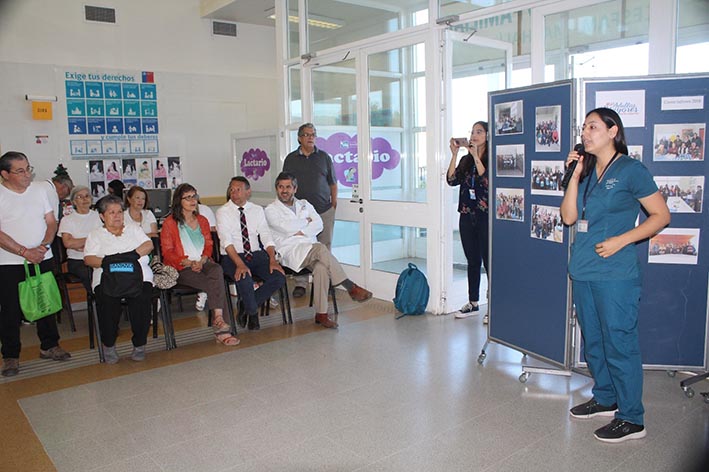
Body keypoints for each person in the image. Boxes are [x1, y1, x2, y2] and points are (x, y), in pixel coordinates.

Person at [560, 107, 670, 443]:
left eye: (592, 127)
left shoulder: (631, 170)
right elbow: (569, 218)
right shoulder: (585, 170)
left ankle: (632, 417)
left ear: (613, 131)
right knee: (594, 341)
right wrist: (574, 175)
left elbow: (661, 216)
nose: (585, 133)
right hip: (584, 269)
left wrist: (623, 240)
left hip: (615, 273)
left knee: (619, 342)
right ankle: (606, 397)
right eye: (583, 127)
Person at [265, 172, 372, 329]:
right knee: (321, 248)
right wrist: (305, 221)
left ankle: (321, 314)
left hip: (309, 247)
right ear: (276, 189)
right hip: (290, 251)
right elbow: (285, 228)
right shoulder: (271, 210)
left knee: (321, 268)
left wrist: (301, 230)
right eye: (281, 187)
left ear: (295, 189)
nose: (284, 190)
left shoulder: (304, 204)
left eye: (288, 187)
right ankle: (350, 286)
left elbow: (319, 224)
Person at [0, 151, 71, 377]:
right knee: (10, 310)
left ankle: (50, 345)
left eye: (28, 169)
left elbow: (51, 221)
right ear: (5, 174)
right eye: (20, 171)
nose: (26, 175)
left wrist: (43, 246)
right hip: (9, 262)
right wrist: (24, 252)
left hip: (42, 256)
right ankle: (10, 356)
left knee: (45, 301)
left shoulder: (40, 190)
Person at [160, 184, 239, 346]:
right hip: (182, 267)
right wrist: (188, 262)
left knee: (216, 269)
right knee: (216, 284)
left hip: (203, 262)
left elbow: (209, 244)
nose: (192, 200)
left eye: (194, 196)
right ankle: (222, 331)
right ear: (179, 201)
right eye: (187, 197)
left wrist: (202, 260)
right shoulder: (170, 223)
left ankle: (218, 317)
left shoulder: (202, 220)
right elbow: (167, 252)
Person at [84, 194, 154, 364]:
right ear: (102, 216)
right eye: (111, 213)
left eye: (120, 212)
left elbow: (148, 245)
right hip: (107, 276)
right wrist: (110, 262)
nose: (117, 216)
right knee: (107, 302)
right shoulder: (95, 234)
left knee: (142, 298)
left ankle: (139, 344)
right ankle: (109, 344)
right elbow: (89, 259)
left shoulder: (133, 229)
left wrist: (130, 256)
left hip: (138, 276)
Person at [216, 176, 285, 330]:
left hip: (256, 254)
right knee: (244, 278)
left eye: (238, 189)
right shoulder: (223, 212)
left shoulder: (257, 210)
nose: (234, 193)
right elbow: (226, 242)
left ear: (248, 192)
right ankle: (253, 313)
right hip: (232, 256)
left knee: (278, 277)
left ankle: (245, 305)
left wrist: (272, 259)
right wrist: (240, 264)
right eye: (232, 190)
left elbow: (266, 236)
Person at [283, 123, 337, 298]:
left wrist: (333, 203)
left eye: (313, 134)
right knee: (301, 246)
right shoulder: (291, 159)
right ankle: (301, 283)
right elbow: (285, 184)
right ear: (299, 138)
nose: (311, 137)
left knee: (325, 247)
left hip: (323, 210)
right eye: (307, 134)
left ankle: (326, 282)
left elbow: (332, 182)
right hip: (301, 214)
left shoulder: (324, 157)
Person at [447, 121, 490, 323]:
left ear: (488, 136)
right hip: (466, 215)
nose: (474, 135)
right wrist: (455, 155)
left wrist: (476, 156)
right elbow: (451, 180)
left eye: (479, 132)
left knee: (489, 262)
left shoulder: (491, 158)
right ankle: (473, 302)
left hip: (485, 216)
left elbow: (487, 181)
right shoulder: (466, 160)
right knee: (472, 261)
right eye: (472, 132)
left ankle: (493, 305)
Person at [57, 185, 102, 291]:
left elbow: (105, 237)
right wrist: (91, 240)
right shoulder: (67, 220)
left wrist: (81, 244)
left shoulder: (99, 216)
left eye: (87, 196)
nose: (84, 199)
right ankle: (95, 296)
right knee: (90, 274)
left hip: (98, 256)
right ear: (74, 201)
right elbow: (68, 243)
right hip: (78, 260)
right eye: (80, 197)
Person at [195, 200, 217, 311]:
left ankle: (204, 291)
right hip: (186, 255)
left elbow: (212, 231)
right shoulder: (174, 217)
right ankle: (204, 289)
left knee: (214, 268)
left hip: (204, 249)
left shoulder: (204, 211)